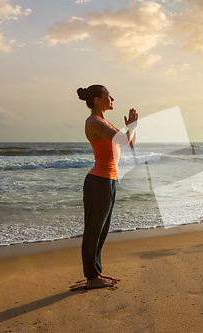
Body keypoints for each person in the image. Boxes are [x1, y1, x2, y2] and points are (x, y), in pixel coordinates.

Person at [77, 84, 138, 289]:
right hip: (98, 181)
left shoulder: (105, 122)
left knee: (102, 230)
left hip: (108, 180)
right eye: (108, 96)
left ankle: (96, 272)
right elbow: (123, 137)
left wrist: (131, 127)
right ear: (97, 99)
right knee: (94, 230)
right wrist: (131, 127)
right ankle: (92, 278)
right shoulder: (93, 122)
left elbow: (129, 142)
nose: (112, 99)